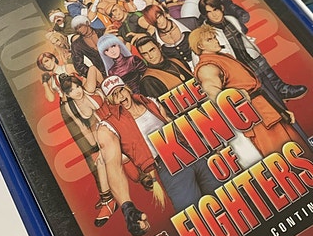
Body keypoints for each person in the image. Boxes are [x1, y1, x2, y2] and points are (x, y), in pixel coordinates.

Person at [99, 76, 221, 222]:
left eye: (121, 90)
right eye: (114, 95)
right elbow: (114, 167)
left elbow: (172, 123)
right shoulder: (111, 125)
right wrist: (126, 206)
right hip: (167, 166)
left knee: (221, 197)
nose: (120, 97)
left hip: (191, 153)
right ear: (110, 101)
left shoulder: (149, 102)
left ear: (127, 89)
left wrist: (205, 144)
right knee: (193, 214)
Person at [189, 26, 311, 167]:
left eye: (215, 37)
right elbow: (213, 93)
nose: (216, 41)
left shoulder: (221, 57)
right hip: (254, 116)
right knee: (281, 156)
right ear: (200, 46)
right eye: (210, 39)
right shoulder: (207, 67)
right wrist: (239, 97)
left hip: (265, 108)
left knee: (298, 149)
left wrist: (279, 109)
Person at [198, 0, 307, 101]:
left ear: (222, 8)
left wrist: (253, 49)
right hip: (236, 66)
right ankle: (275, 100)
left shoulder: (231, 19)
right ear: (205, 15)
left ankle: (282, 90)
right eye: (209, 12)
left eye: (215, 10)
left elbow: (243, 35)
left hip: (251, 56)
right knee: (259, 89)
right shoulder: (205, 32)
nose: (214, 15)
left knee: (269, 76)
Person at [59, 75, 117, 227]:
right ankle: (108, 200)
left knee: (101, 162)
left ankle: (108, 200)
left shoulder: (91, 92)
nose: (77, 91)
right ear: (67, 94)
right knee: (98, 161)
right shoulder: (69, 106)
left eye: (77, 86)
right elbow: (82, 126)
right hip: (99, 132)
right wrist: (94, 147)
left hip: (111, 124)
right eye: (71, 90)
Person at [142, 4, 198, 70]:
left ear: (164, 14)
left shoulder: (190, 23)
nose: (159, 22)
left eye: (159, 17)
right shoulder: (155, 40)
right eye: (154, 21)